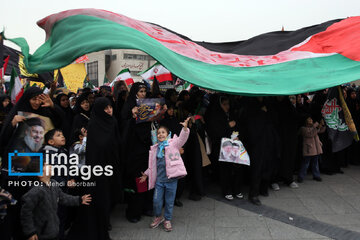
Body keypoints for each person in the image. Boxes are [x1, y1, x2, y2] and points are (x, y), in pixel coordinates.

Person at [67, 97, 122, 240]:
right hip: (97, 170)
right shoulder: (93, 125)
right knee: (100, 199)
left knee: (110, 197)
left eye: (110, 107)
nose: (109, 110)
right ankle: (101, 225)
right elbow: (94, 149)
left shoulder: (113, 122)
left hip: (112, 165)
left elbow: (117, 143)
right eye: (106, 108)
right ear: (99, 110)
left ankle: (105, 221)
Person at [139, 117, 190, 232]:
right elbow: (153, 166)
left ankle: (167, 219)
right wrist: (146, 174)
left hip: (171, 181)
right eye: (159, 133)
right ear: (156, 136)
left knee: (169, 201)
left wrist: (185, 129)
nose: (161, 135)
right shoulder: (155, 149)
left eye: (163, 132)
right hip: (159, 181)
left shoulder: (173, 145)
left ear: (168, 134)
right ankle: (158, 217)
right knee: (156, 201)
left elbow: (182, 139)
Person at [21, 162, 91, 240]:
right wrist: (30, 232)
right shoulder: (35, 191)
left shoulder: (53, 184)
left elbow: (63, 198)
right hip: (40, 234)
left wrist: (79, 200)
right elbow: (25, 213)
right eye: (46, 165)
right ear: (40, 174)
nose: (51, 166)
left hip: (53, 231)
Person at [121, 82, 154, 223]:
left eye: (144, 91)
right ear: (135, 92)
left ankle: (146, 207)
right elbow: (123, 125)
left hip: (146, 149)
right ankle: (134, 211)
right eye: (140, 91)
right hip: (134, 151)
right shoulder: (128, 107)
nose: (143, 94)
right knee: (137, 180)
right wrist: (132, 115)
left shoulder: (146, 105)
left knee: (146, 177)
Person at [298, 117, 325, 183]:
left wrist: (322, 125)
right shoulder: (303, 128)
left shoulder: (313, 127)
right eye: (309, 119)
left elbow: (321, 131)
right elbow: (310, 134)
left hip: (315, 149)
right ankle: (301, 176)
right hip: (309, 149)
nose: (311, 120)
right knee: (305, 164)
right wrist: (316, 125)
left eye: (311, 119)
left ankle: (316, 175)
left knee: (315, 164)